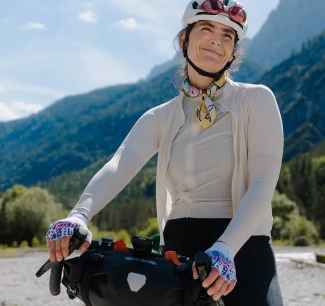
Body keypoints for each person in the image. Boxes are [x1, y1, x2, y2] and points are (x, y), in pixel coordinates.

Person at [44, 0, 284, 304]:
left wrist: (226, 247)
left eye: (227, 35)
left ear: (233, 51)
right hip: (180, 252)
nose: (217, 40)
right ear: (184, 39)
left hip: (245, 246)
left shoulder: (256, 100)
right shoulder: (160, 117)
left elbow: (262, 184)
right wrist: (78, 216)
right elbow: (118, 165)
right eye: (207, 28)